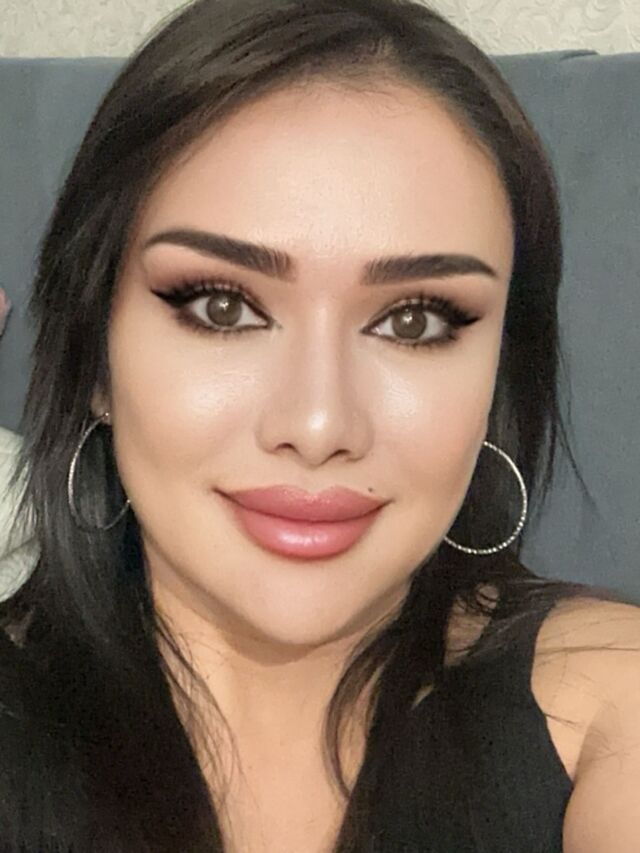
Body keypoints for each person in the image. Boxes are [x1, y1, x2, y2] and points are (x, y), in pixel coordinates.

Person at [1, 0, 639, 850]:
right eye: (222, 307)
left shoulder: (607, 699)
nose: (317, 422)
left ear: (497, 372)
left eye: (414, 321)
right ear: (95, 359)